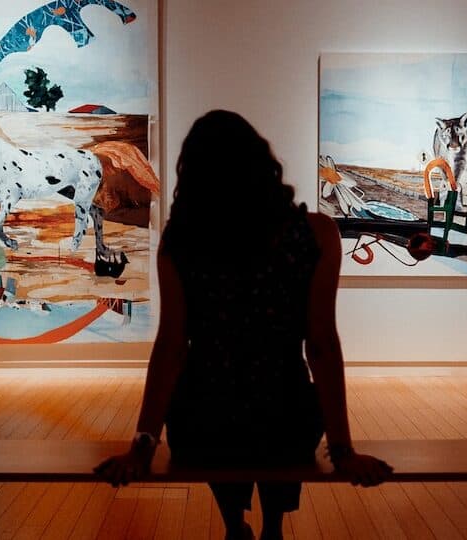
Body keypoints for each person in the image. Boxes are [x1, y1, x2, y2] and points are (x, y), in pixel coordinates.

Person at [94, 110, 392, 540]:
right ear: (263, 164)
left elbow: (172, 346)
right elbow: (321, 346)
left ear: (194, 175)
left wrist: (143, 443)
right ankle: (272, 528)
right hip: (286, 418)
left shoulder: (182, 240)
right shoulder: (316, 234)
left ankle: (235, 526)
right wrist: (342, 450)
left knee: (209, 415)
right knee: (283, 413)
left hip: (205, 421)